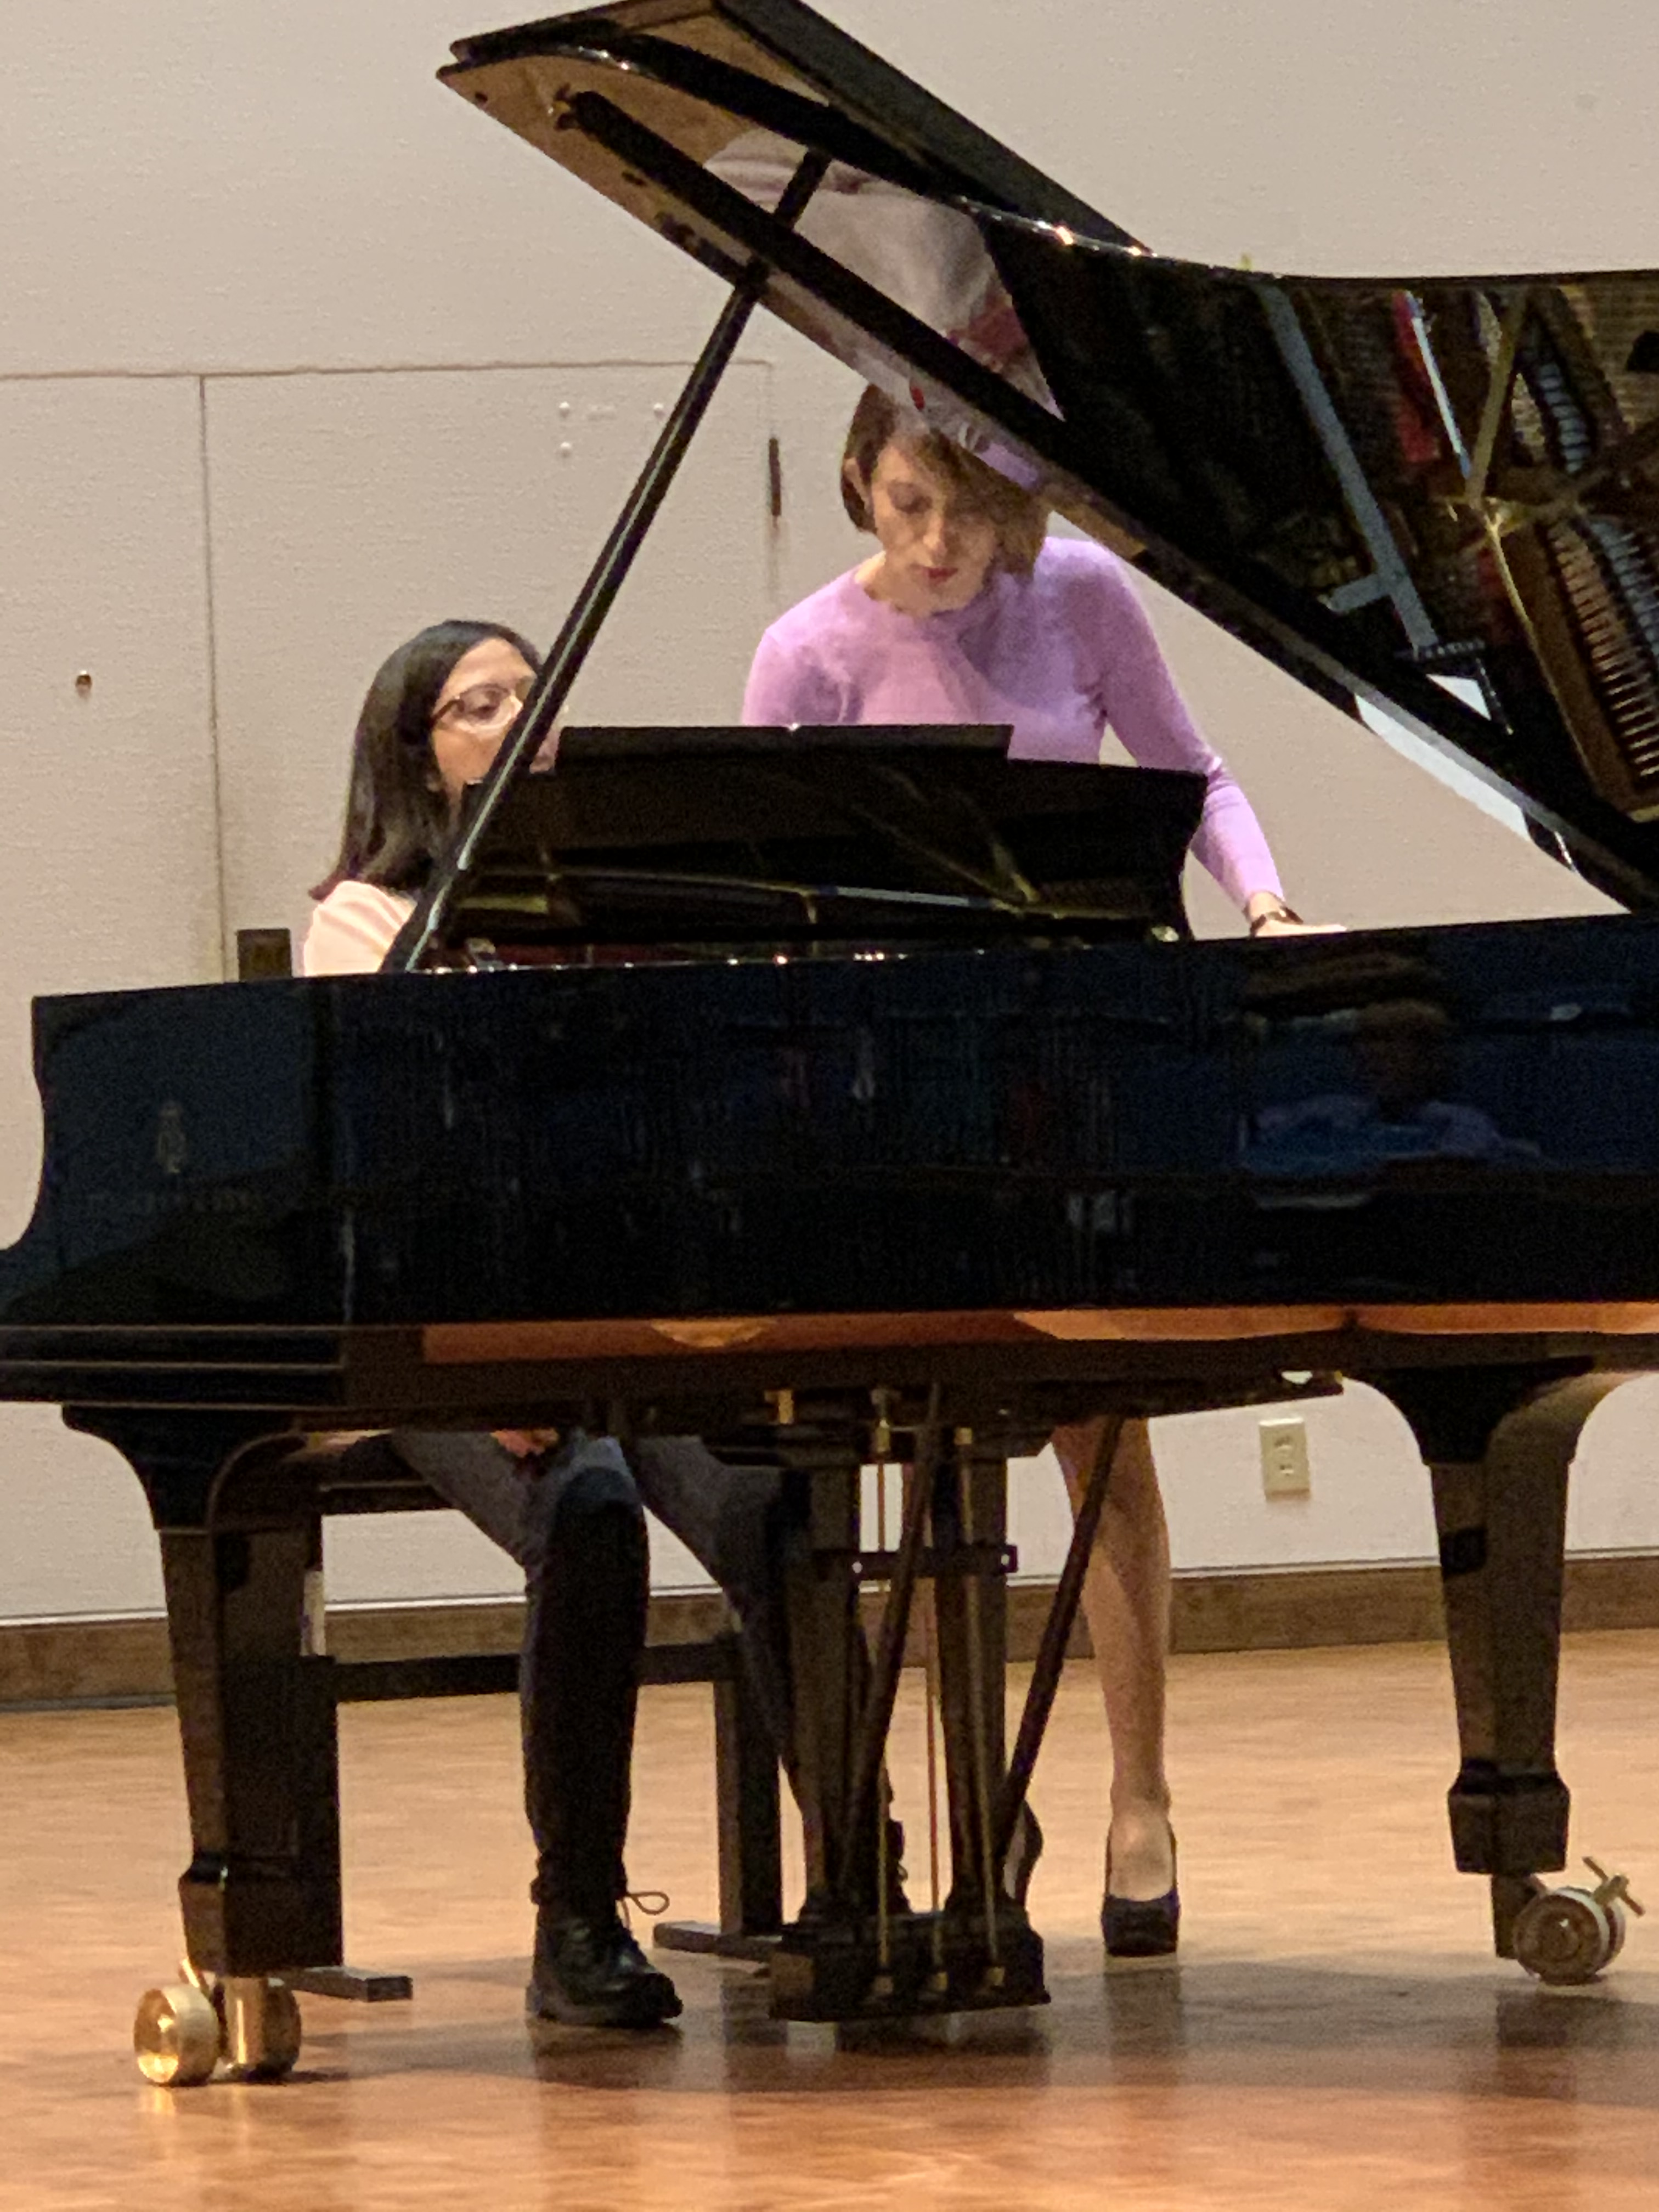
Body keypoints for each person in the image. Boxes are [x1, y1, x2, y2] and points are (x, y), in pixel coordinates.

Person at [742, 383, 1332, 1957]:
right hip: (908, 1098)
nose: (945, 543)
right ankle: (973, 1796)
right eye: (911, 504)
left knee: (1101, 1443)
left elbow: (1197, 777)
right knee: (930, 1452)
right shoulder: (805, 654)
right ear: (860, 480)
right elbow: (766, 892)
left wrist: (1267, 908)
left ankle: (1142, 1798)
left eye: (978, 512)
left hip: (1080, 1069)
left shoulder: (1080, 595)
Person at [306, 619, 793, 2028]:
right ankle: (575, 1917)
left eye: (535, 695)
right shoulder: (367, 925)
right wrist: (492, 1365)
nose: (521, 719)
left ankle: (856, 1882)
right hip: (445, 1336)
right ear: (419, 758)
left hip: (622, 1328)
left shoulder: (609, 915)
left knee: (774, 1502)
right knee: (588, 1509)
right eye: (481, 705)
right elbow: (387, 1170)